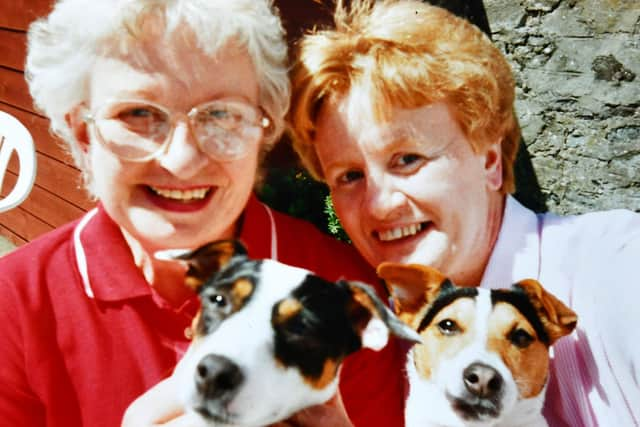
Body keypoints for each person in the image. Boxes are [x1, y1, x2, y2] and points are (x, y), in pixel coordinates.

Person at [0, 1, 409, 426]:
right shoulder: (13, 303)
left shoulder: (335, 290)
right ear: (85, 134)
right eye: (137, 114)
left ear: (261, 129)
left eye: (220, 114)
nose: (182, 160)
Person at [289, 0, 640, 425]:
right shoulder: (379, 348)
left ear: (490, 161)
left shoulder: (616, 269)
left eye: (407, 159)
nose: (379, 205)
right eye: (348, 176)